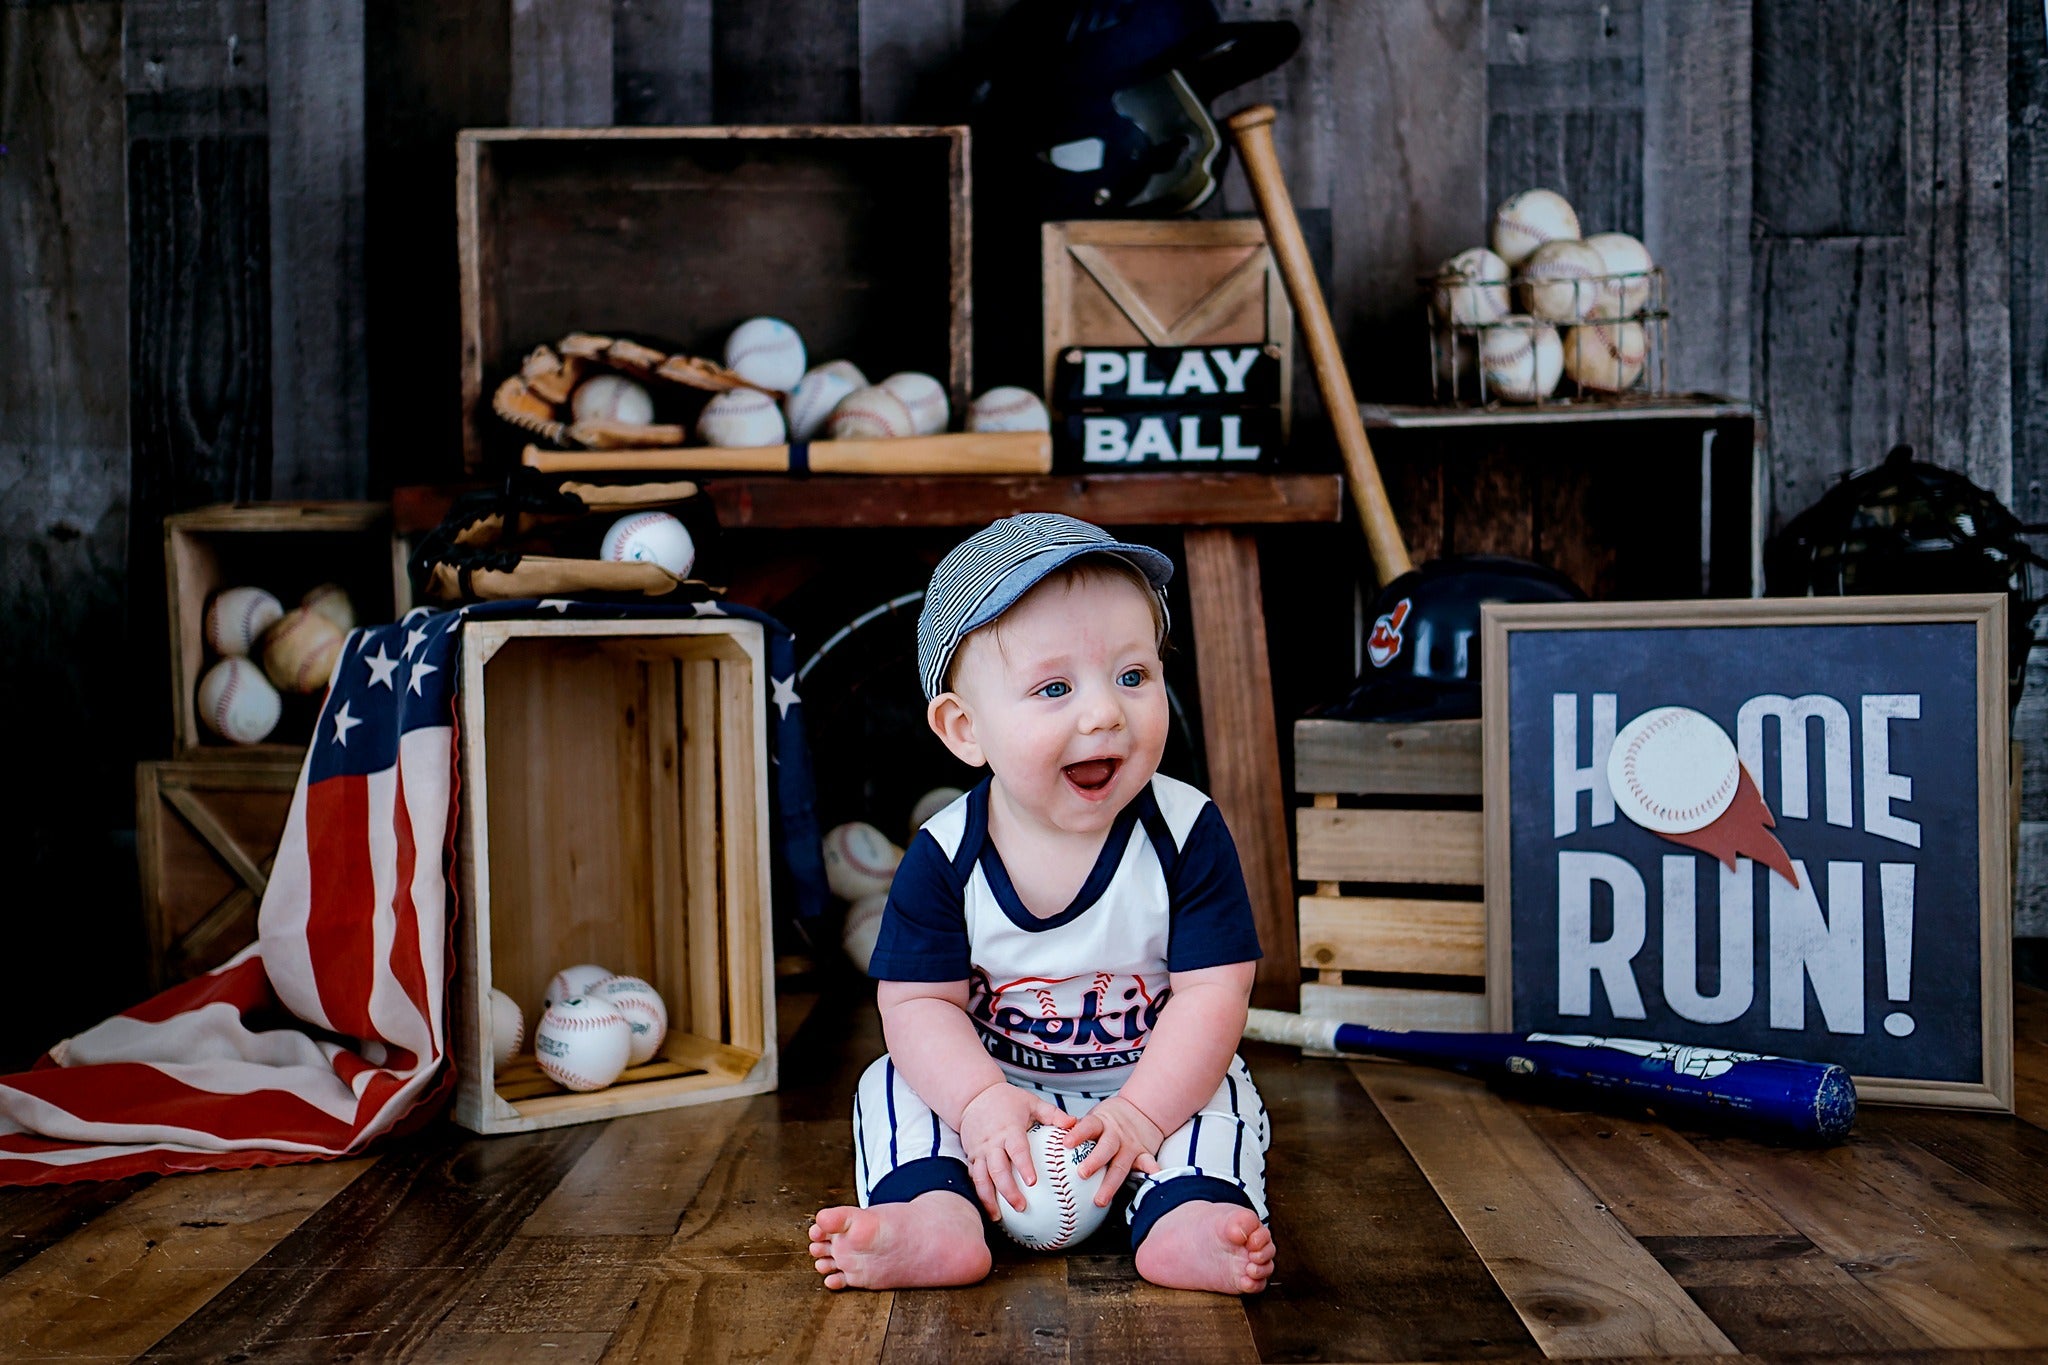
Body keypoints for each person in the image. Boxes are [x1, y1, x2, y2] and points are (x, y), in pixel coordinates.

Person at [807, 512, 1274, 1295]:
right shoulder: (945, 852)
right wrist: (981, 1100)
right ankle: (934, 1211)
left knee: (1221, 1087)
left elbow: (1214, 991)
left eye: (1134, 675)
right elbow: (918, 1002)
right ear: (965, 729)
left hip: (1149, 1078)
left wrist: (1139, 1116)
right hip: (995, 1086)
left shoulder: (1187, 830)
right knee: (891, 1080)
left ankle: (1188, 1211)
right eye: (1054, 687)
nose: (1104, 713)